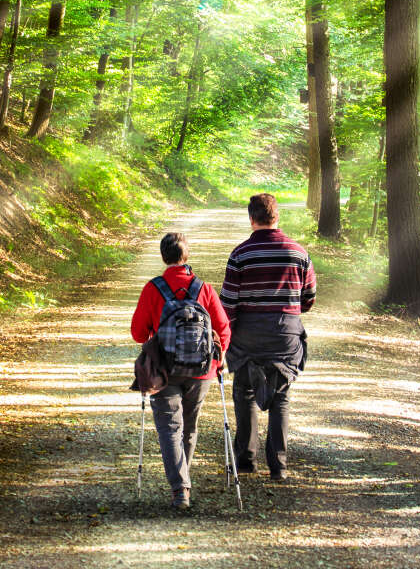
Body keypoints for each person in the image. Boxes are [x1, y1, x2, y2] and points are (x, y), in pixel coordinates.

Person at [130, 231, 232, 509]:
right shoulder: (205, 289)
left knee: (169, 428)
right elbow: (223, 329)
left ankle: (180, 489)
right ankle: (183, 480)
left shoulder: (153, 288)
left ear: (164, 257)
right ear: (186, 256)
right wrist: (220, 359)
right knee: (189, 426)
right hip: (202, 370)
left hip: (163, 371)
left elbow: (138, 334)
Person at [219, 192, 315, 482]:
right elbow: (308, 299)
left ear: (251, 220)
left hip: (248, 333)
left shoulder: (240, 255)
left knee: (245, 392)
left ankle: (246, 460)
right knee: (281, 396)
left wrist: (229, 338)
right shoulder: (299, 254)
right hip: (285, 332)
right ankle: (279, 466)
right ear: (277, 217)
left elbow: (228, 304)